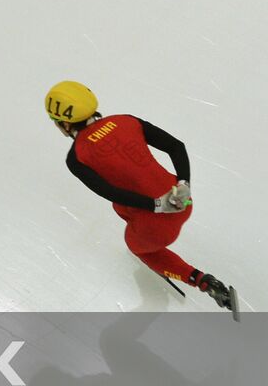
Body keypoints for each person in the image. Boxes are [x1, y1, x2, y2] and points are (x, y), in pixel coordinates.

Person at [45, 80, 238, 316]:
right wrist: (184, 183)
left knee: (140, 249)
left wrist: (156, 206)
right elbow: (176, 146)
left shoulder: (76, 158)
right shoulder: (126, 120)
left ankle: (201, 281)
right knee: (123, 208)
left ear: (65, 123)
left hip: (154, 225)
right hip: (182, 201)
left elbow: (110, 192)